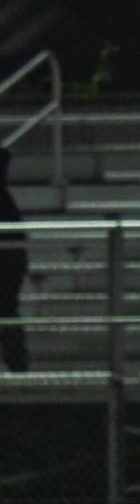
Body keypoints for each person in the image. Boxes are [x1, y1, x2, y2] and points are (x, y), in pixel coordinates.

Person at [0, 147, 29, 372]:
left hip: (8, 262)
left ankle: (17, 363)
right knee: (8, 312)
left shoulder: (5, 201)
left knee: (7, 311)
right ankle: (17, 363)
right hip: (11, 260)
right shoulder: (6, 201)